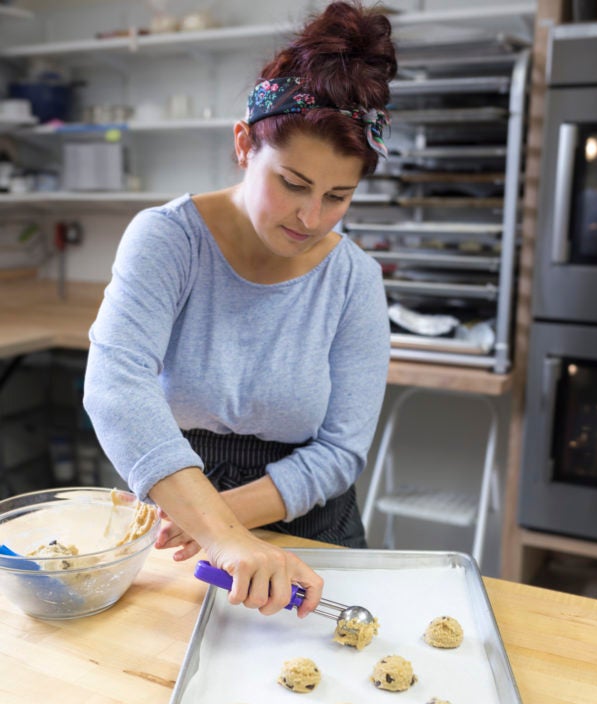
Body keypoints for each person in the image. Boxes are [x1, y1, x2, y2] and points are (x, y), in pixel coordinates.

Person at [83, 0, 397, 618]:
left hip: (306, 521)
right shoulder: (169, 239)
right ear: (243, 147)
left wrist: (217, 521)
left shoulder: (354, 279)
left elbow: (341, 450)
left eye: (339, 196)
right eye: (294, 184)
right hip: (179, 493)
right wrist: (219, 534)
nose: (312, 218)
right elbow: (116, 383)